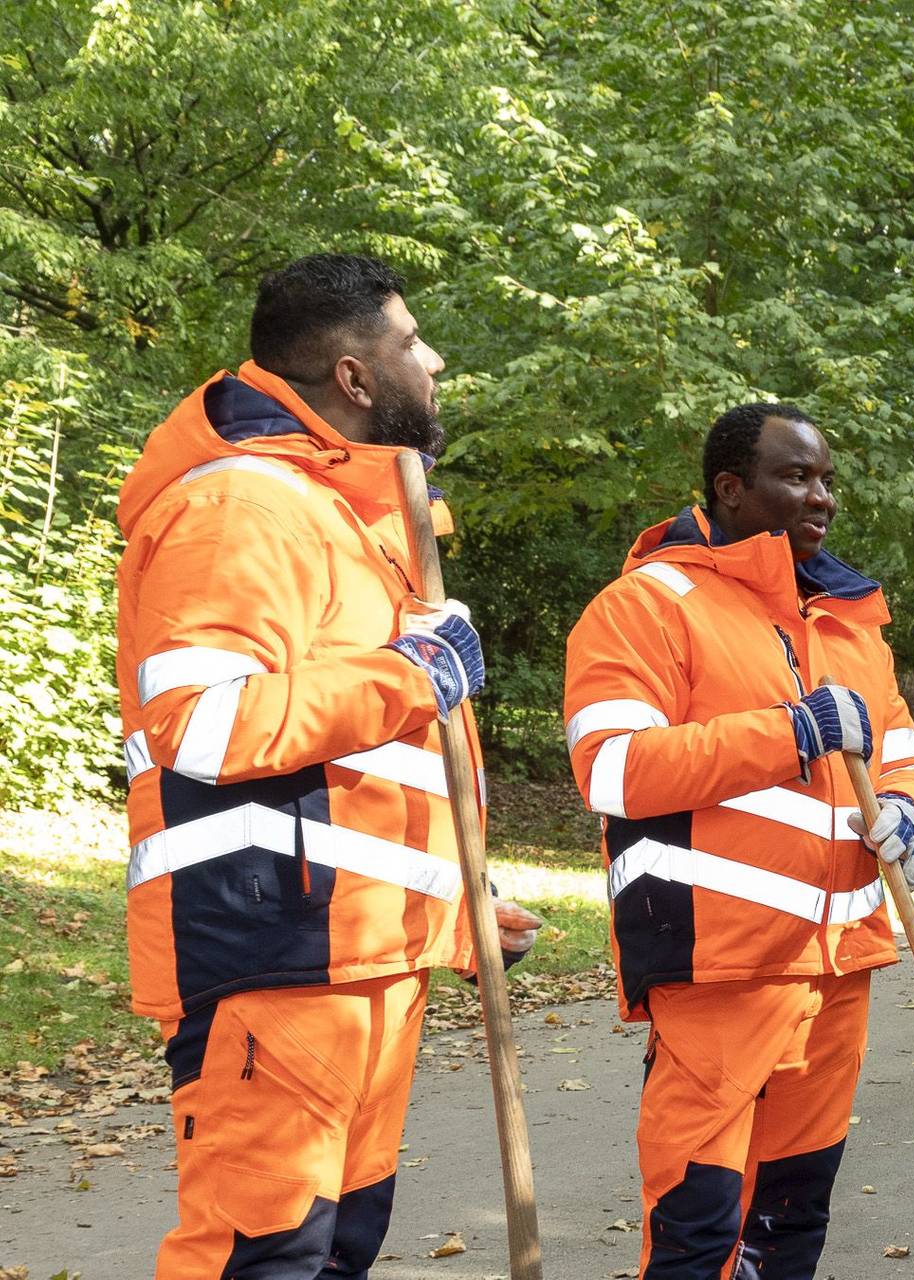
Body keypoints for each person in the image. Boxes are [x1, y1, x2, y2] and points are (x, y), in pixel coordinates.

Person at [116, 252, 540, 1278]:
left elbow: (361, 769)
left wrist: (457, 899)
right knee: (260, 1253)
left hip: (355, 948)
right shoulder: (241, 509)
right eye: (410, 341)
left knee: (336, 1244)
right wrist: (408, 672)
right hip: (275, 948)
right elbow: (203, 727)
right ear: (354, 376)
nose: (432, 360)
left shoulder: (340, 514)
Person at [562, 403, 914, 1279]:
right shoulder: (645, 605)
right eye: (798, 477)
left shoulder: (847, 618)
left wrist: (913, 813)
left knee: (791, 1222)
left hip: (841, 963)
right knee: (699, 1227)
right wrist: (791, 731)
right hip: (719, 966)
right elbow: (613, 769)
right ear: (731, 488)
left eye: (829, 480)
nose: (823, 498)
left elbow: (908, 755)